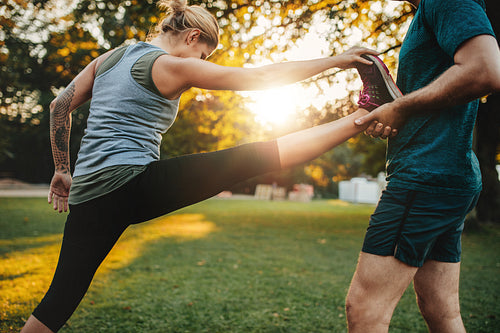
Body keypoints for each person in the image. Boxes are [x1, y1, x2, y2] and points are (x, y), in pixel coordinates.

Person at [20, 0, 392, 331]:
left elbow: (59, 107)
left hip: (89, 194)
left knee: (61, 298)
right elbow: (259, 78)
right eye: (204, 57)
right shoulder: (168, 66)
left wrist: (62, 170)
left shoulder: (111, 57)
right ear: (193, 37)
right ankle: (364, 114)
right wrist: (339, 59)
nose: (202, 67)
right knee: (250, 157)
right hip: (129, 183)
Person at [346, 0, 500, 332]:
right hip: (448, 176)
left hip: (425, 178)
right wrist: (389, 107)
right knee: (441, 310)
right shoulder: (428, 11)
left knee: (364, 308)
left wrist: (400, 109)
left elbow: (486, 69)